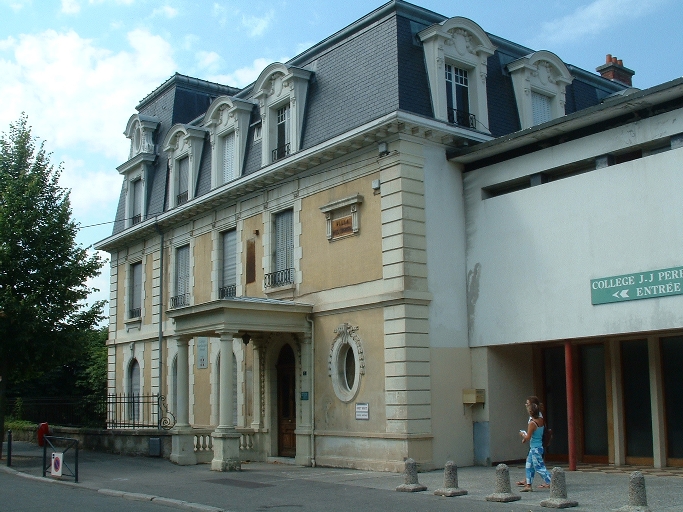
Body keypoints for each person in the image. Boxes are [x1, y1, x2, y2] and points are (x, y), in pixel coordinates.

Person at [517, 396, 551, 491]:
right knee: (529, 466)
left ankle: (552, 481)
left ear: (531, 412)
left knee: (539, 467)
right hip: (536, 447)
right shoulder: (540, 420)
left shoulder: (532, 423)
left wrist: (522, 434)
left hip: (535, 448)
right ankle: (528, 485)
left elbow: (528, 437)